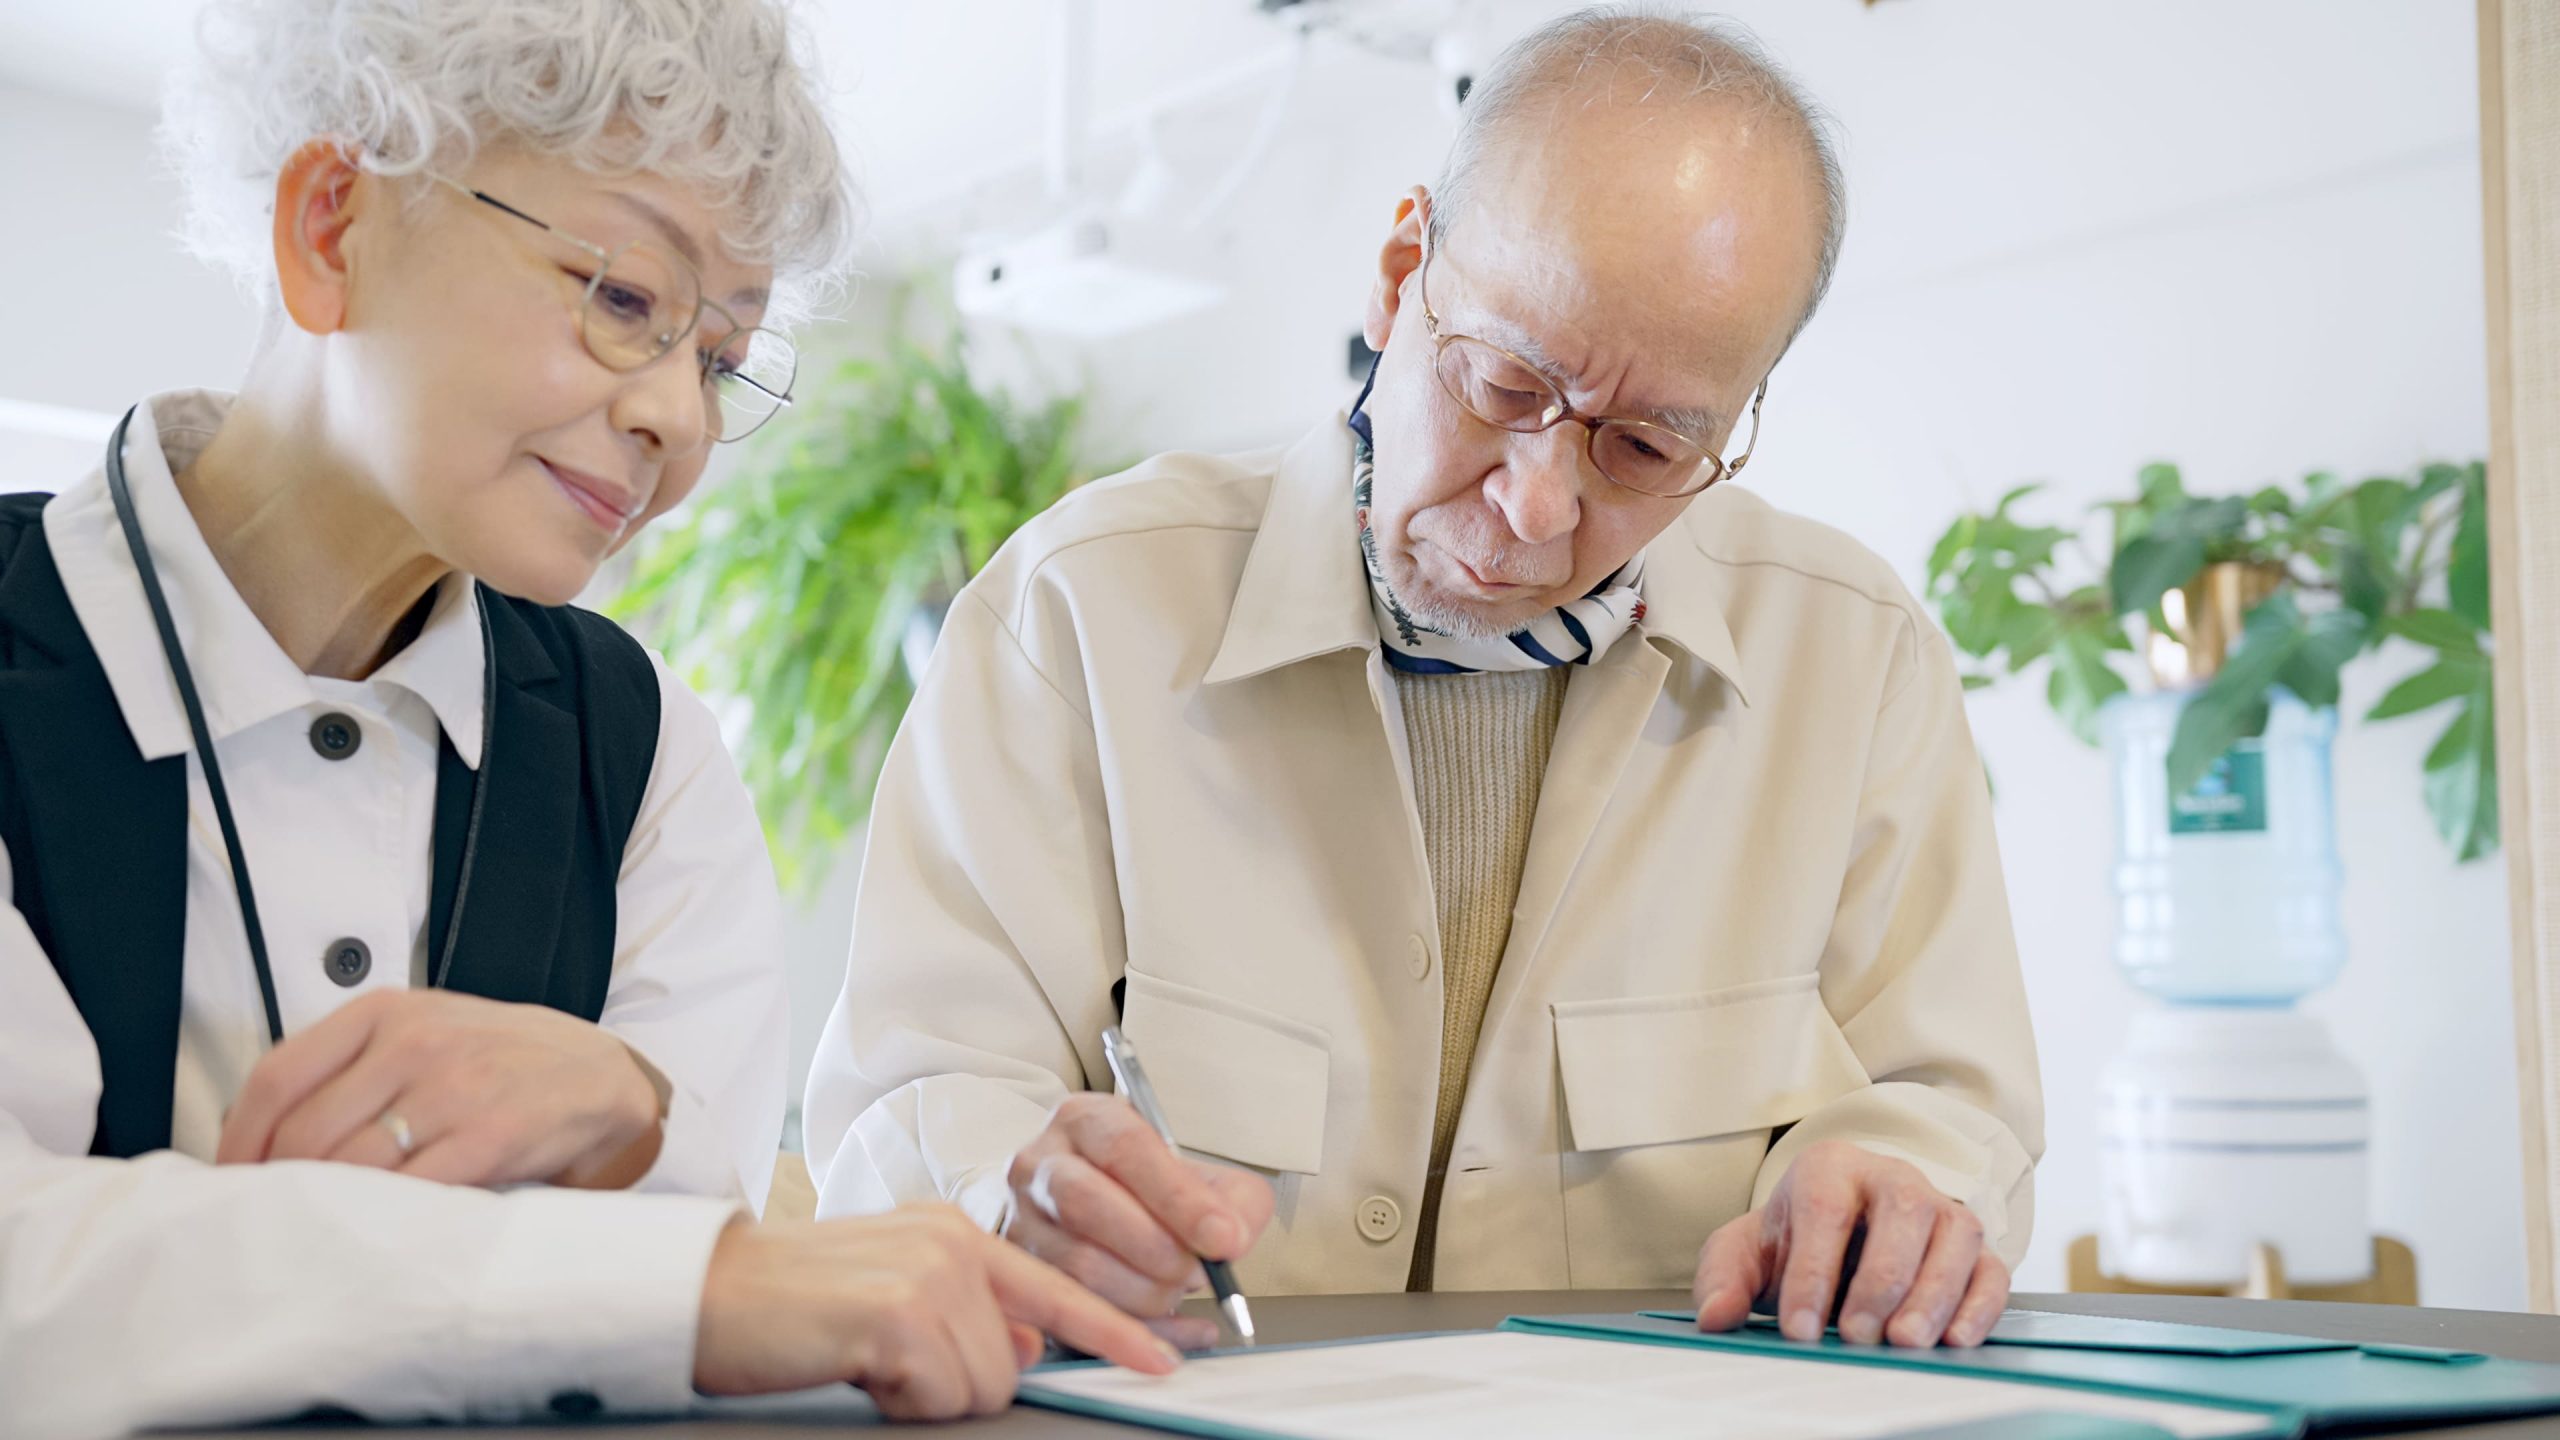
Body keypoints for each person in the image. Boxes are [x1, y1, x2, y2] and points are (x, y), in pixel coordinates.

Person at [0, 3, 1175, 1434]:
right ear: (330, 226)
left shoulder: (643, 747)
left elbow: (707, 1275)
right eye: (625, 298)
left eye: (724, 361)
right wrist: (668, 1278)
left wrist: (629, 1107)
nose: (679, 420)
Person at [806, 5, 2043, 1355]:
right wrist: (1005, 1200)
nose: (1534, 508)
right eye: (1506, 385)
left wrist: (1901, 1195)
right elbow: (908, 1107)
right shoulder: (1081, 616)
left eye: (1640, 449)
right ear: (1401, 277)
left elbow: (1949, 1106)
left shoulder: (1852, 664)